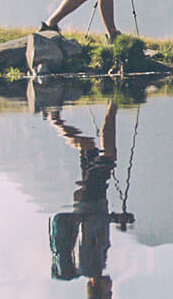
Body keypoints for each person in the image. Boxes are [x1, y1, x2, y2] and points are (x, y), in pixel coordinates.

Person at [48, 101, 132, 299]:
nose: (111, 288)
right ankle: (55, 120)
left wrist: (115, 218)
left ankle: (114, 103)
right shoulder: (92, 266)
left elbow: (91, 223)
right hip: (88, 199)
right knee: (88, 147)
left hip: (91, 198)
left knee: (109, 155)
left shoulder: (91, 265)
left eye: (108, 292)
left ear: (98, 289)